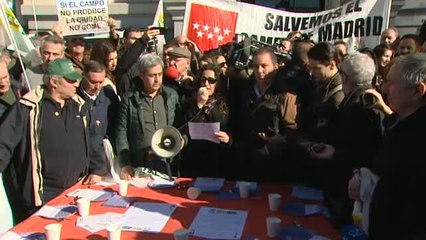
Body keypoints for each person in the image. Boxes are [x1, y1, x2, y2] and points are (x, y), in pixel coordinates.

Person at [0, 58, 103, 223]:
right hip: (42, 195)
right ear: (54, 82)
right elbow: (3, 143)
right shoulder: (28, 108)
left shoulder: (79, 106)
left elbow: (92, 139)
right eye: (70, 80)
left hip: (77, 189)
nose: (76, 83)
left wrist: (97, 169)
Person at [349, 53, 426, 239]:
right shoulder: (401, 123)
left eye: (391, 83)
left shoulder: (419, 137)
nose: (383, 89)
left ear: (417, 91)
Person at [310, 53, 386, 228]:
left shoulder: (358, 107)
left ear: (345, 77)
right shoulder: (371, 99)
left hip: (348, 186)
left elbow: (364, 151)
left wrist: (334, 152)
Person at [232, 48, 298, 182]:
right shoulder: (247, 91)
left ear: (275, 67)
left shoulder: (286, 94)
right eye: (256, 66)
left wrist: (272, 146)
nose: (259, 71)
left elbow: (292, 132)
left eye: (264, 66)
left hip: (274, 166)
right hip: (247, 161)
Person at [115, 54, 182, 180]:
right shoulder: (129, 99)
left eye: (160, 74)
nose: (157, 80)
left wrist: (182, 139)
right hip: (139, 162)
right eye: (152, 75)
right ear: (141, 75)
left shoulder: (172, 96)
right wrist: (125, 163)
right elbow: (121, 132)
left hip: (167, 163)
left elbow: (181, 126)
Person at [180, 63, 232, 178]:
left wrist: (228, 139)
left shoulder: (225, 103)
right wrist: (199, 104)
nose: (206, 84)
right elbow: (183, 126)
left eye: (211, 80)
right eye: (203, 80)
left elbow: (232, 127)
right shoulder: (189, 102)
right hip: (194, 159)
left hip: (217, 159)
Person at [77, 61, 120, 183]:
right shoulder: (74, 99)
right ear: (84, 76)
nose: (97, 86)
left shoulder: (108, 95)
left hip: (109, 161)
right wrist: (96, 169)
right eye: (93, 82)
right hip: (86, 167)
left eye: (101, 82)